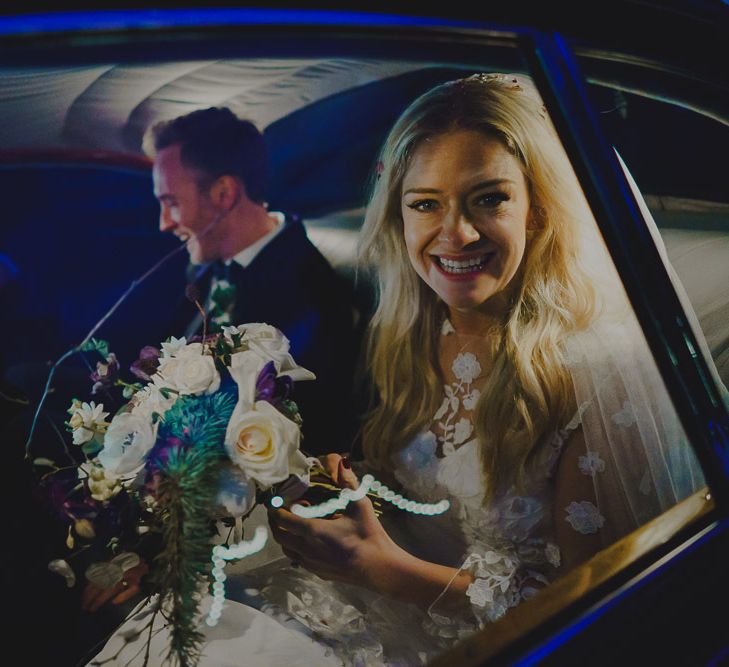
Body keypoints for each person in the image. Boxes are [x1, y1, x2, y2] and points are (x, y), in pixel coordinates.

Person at [87, 74, 710, 666]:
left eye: (489, 198)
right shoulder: (411, 333)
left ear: (537, 210)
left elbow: (595, 609)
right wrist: (348, 486)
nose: (456, 233)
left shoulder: (591, 370)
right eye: (426, 204)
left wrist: (381, 568)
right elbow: (408, 490)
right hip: (378, 590)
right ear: (400, 215)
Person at [143, 107, 360, 458]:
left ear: (224, 193)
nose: (164, 223)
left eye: (171, 202)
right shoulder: (208, 269)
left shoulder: (309, 291)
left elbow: (305, 428)